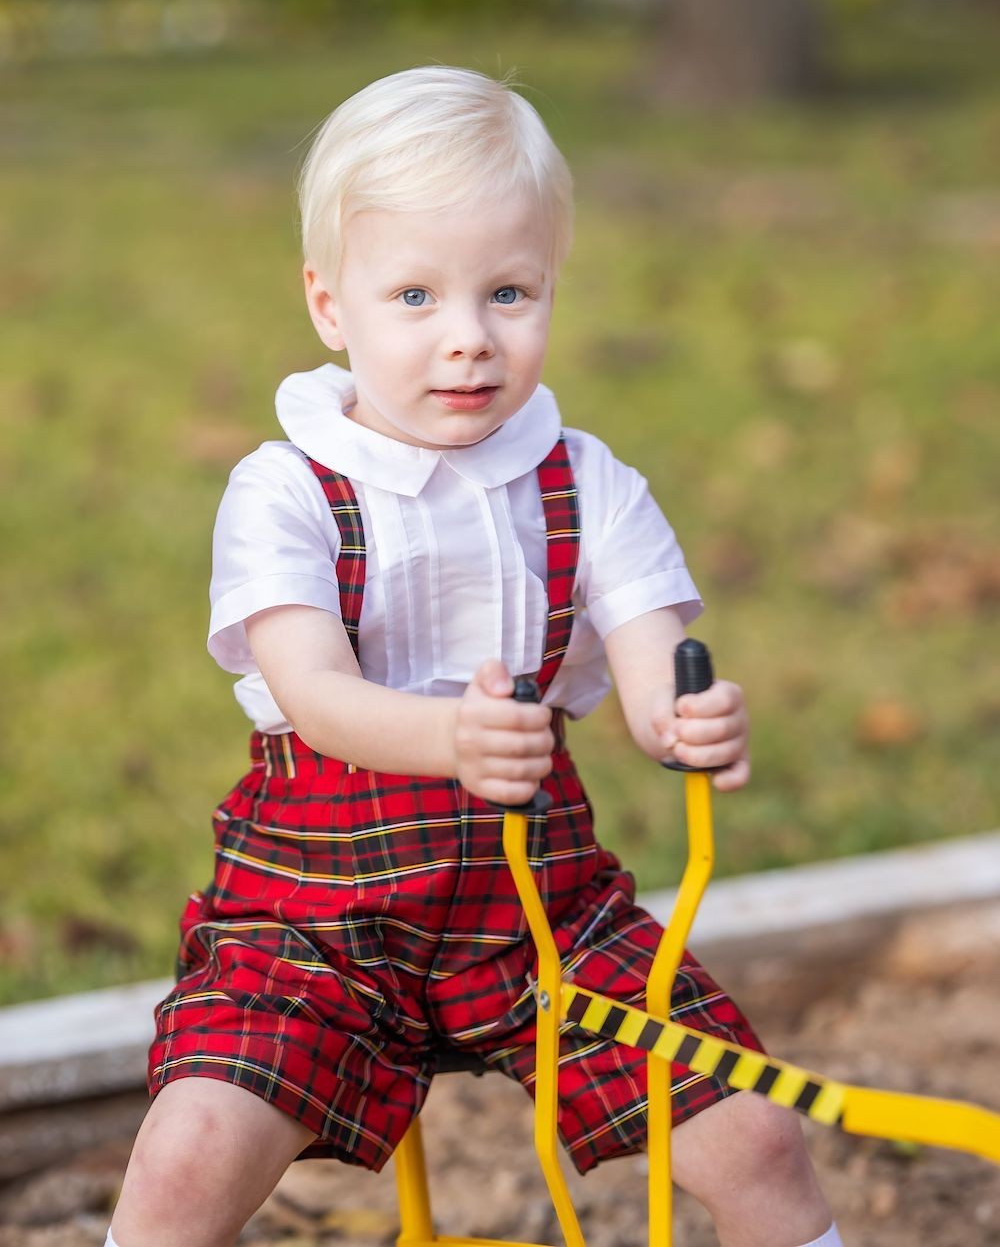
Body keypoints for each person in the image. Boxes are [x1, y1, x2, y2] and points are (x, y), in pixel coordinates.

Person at [107, 66, 841, 1247]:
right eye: (413, 295)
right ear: (329, 305)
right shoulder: (288, 489)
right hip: (317, 913)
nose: (467, 340)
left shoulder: (584, 482)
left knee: (753, 1133)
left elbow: (654, 653)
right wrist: (449, 737)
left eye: (508, 292)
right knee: (190, 1148)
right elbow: (314, 693)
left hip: (539, 904)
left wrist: (680, 720)